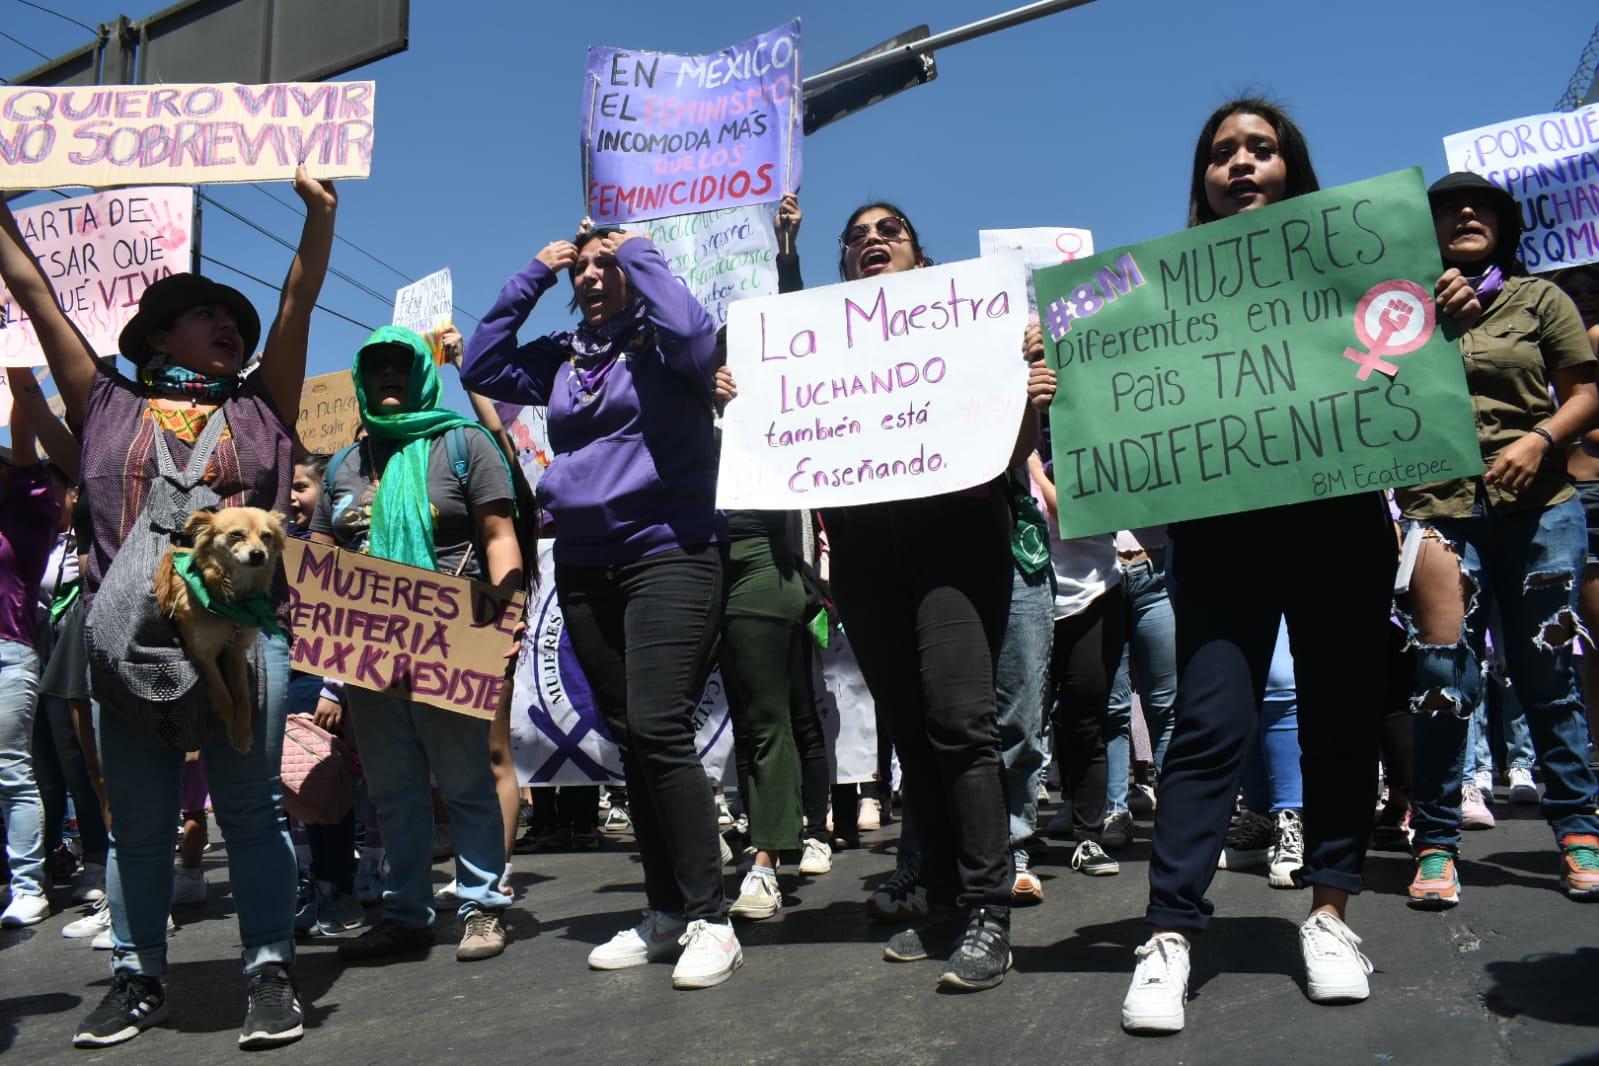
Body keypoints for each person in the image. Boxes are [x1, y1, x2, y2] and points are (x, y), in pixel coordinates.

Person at [1031, 99, 1401, 1034]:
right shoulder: (1148, 286)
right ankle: (1168, 935)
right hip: (1225, 538)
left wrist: (1430, 319)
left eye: (1260, 149)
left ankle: (1327, 915)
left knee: (1337, 717)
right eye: (1221, 154)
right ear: (1200, 180)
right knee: (1208, 723)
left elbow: (1397, 363)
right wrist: (1051, 357)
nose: (1240, 164)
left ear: (1292, 169)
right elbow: (1092, 352)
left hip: (1337, 523)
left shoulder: (1357, 260)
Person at [0, 165, 336, 1049]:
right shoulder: (105, 401)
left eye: (234, 319)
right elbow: (35, 292)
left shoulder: (264, 409)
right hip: (128, 646)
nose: (227, 323)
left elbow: (297, 306)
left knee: (252, 807)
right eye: (205, 314)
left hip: (243, 646)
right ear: (156, 337)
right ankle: (136, 975)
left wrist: (319, 218)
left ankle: (269, 967)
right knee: (140, 825)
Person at [721, 202, 1046, 991]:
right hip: (867, 554)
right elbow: (785, 376)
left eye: (888, 230)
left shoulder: (972, 330)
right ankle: (939, 900)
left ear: (920, 258)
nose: (871, 239)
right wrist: (747, 389)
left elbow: (1011, 453)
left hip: (957, 544)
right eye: (857, 235)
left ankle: (985, 911)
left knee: (958, 722)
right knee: (910, 731)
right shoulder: (827, 346)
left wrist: (1028, 389)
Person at [463, 222, 739, 990]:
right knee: (628, 739)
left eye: (603, 265)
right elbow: (481, 364)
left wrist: (636, 247)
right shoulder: (560, 356)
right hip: (585, 564)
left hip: (669, 552)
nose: (589, 275)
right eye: (580, 266)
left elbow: (693, 326)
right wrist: (532, 272)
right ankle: (664, 912)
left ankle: (710, 918)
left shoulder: (667, 347)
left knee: (657, 726)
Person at [1399, 172, 1599, 908]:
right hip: (1440, 514)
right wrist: (1419, 314)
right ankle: (1436, 844)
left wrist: (1541, 438)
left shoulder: (1539, 300)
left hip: (1540, 508)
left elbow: (1585, 391)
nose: (1463, 213)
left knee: (1545, 674)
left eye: (1479, 205)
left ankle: (1578, 831)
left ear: (1502, 224)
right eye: (1448, 208)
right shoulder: (1397, 309)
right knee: (1440, 680)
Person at [315, 325, 519, 964]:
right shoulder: (343, 464)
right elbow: (323, 547)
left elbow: (497, 532)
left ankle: (483, 905)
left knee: (463, 779)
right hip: (366, 646)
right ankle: (406, 914)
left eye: (399, 366)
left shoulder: (464, 444)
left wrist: (505, 611)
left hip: (449, 634)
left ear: (421, 374)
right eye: (374, 368)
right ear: (361, 381)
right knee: (393, 789)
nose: (387, 378)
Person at [0, 370, 64, 928]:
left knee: (10, 771)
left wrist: (16, 371)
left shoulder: (23, 515)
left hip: (7, 655)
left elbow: (23, 445)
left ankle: (28, 885)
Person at [1551, 263, 1599, 764]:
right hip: (1579, 500)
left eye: (1593, 286)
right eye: (1572, 288)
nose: (1584, 295)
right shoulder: (1551, 342)